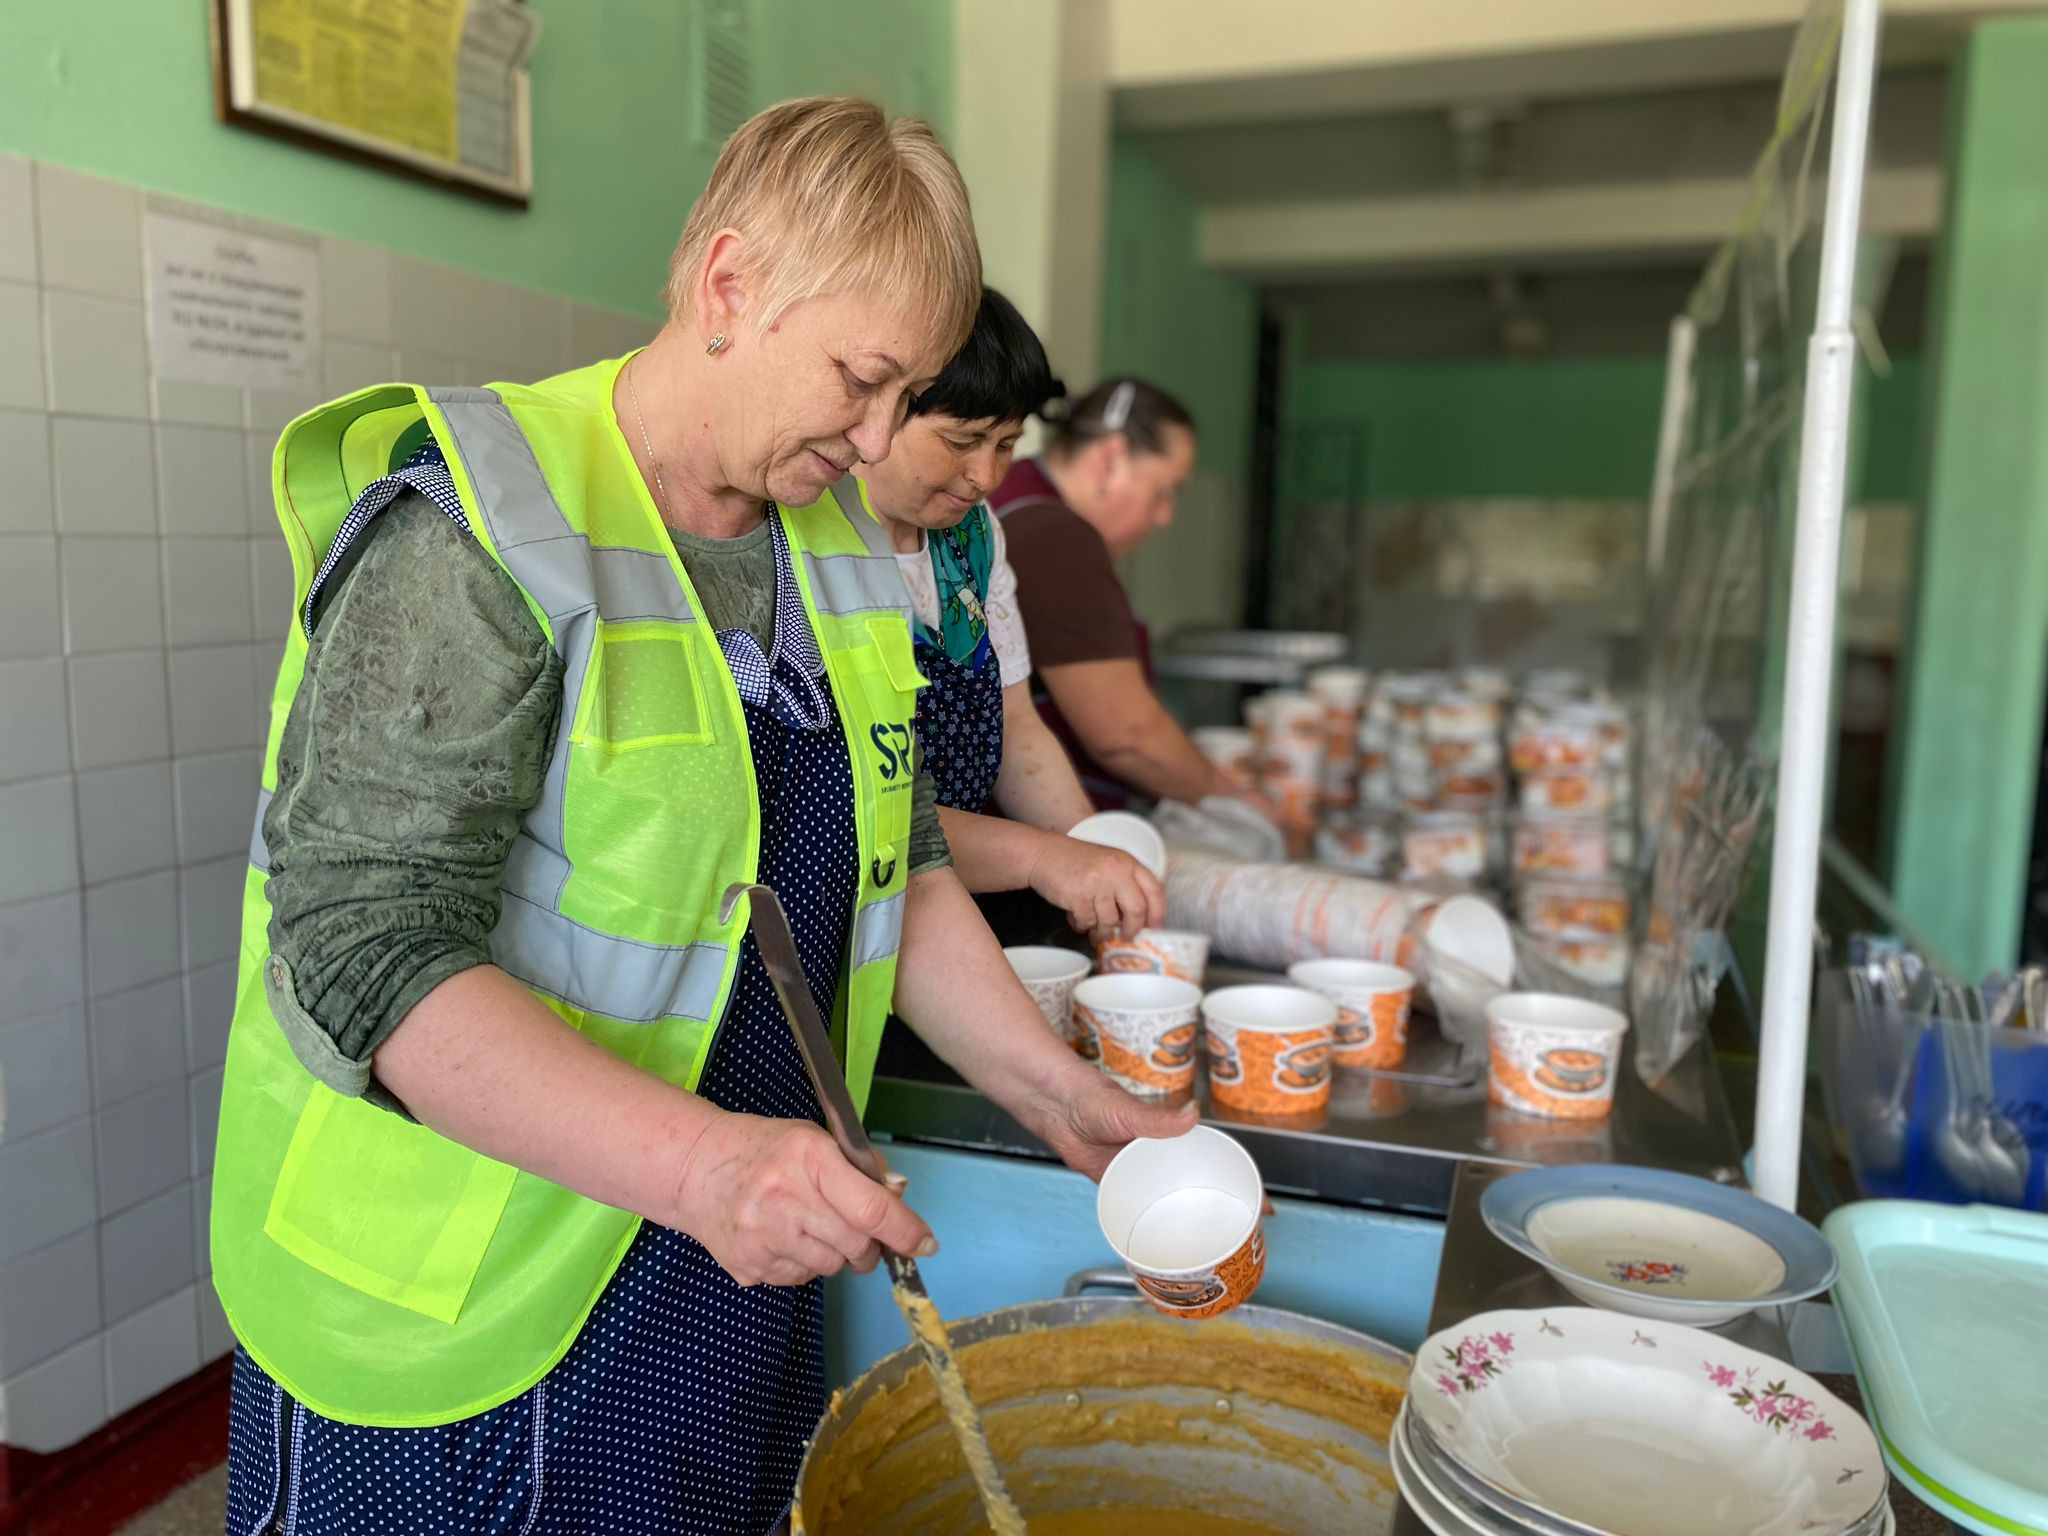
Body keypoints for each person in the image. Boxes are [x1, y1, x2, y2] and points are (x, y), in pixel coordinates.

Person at [209, 98, 1192, 1536]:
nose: (876, 445)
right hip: (458, 1296)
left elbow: (893, 861)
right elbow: (365, 950)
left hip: (718, 1258)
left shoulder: (837, 545)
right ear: (731, 286)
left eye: (903, 394)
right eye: (862, 382)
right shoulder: (477, 524)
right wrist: (704, 1164)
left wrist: (1053, 1092)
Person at [825, 289, 1165, 943]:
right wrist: (1044, 858)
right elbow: (859, 803)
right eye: (963, 440)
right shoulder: (818, 546)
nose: (985, 475)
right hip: (863, 911)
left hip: (973, 888)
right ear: (880, 412)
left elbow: (1016, 723)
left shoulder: (972, 538)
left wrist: (1090, 854)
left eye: (1007, 444)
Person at [993, 378, 1266, 815]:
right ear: (1110, 460)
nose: (1165, 517)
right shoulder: (1055, 538)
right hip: (1040, 835)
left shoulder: (1013, 494)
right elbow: (1126, 736)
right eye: (1164, 490)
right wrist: (1233, 799)